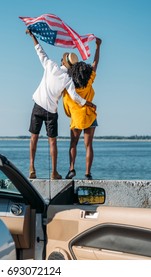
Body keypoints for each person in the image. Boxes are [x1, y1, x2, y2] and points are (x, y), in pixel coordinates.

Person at [26, 29, 96, 180]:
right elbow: (75, 97)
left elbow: (40, 52)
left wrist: (33, 37)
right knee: (52, 142)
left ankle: (32, 167)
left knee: (34, 138)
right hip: (51, 111)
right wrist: (88, 103)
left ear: (63, 62)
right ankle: (54, 172)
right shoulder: (68, 80)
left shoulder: (50, 66)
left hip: (38, 106)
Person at [63, 37, 102, 180]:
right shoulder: (89, 79)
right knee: (88, 145)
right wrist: (98, 47)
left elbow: (67, 99)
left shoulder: (69, 83)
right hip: (90, 115)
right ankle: (87, 173)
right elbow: (95, 63)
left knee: (73, 144)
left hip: (76, 117)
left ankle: (72, 169)